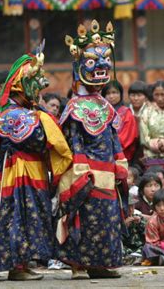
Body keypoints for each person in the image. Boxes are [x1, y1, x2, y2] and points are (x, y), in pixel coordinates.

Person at [0, 42, 72, 280]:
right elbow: (36, 140)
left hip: (29, 171)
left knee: (29, 215)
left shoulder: (21, 112)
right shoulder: (16, 114)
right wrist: (43, 120)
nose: (41, 87)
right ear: (21, 86)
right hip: (19, 173)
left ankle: (23, 264)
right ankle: (17, 266)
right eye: (36, 82)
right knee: (19, 215)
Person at [58, 21, 128, 279]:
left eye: (105, 61)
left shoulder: (106, 105)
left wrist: (121, 160)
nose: (101, 67)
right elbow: (74, 140)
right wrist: (80, 168)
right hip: (86, 171)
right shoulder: (75, 106)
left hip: (108, 172)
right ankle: (78, 265)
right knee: (83, 218)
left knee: (108, 219)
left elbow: (113, 137)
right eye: (92, 62)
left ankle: (102, 264)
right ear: (79, 66)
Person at [140, 80, 164, 185]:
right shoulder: (147, 111)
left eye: (163, 94)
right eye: (156, 95)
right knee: (152, 186)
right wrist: (157, 144)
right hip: (151, 156)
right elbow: (144, 136)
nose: (160, 98)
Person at [102, 80, 138, 162]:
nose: (111, 96)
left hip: (121, 158)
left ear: (121, 94)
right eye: (108, 93)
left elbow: (126, 139)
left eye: (115, 92)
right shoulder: (100, 114)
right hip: (101, 157)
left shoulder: (126, 113)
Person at [122, 195, 146, 265]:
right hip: (126, 248)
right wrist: (124, 227)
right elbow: (117, 239)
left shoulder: (139, 217)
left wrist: (140, 223)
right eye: (128, 207)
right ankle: (133, 259)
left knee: (147, 249)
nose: (130, 209)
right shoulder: (118, 220)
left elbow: (147, 234)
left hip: (139, 247)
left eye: (132, 206)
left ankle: (136, 259)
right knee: (120, 251)